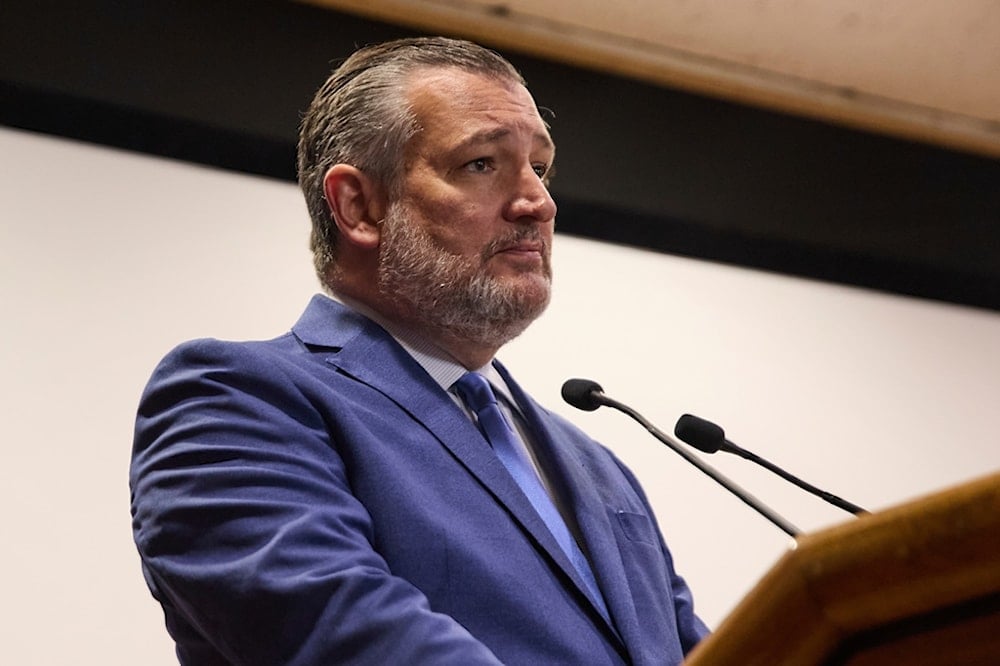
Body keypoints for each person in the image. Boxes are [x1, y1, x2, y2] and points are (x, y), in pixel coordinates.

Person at [130, 36, 708, 665]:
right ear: (359, 206)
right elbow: (345, 633)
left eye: (539, 168)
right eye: (482, 163)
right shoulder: (236, 398)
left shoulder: (594, 464)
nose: (539, 203)